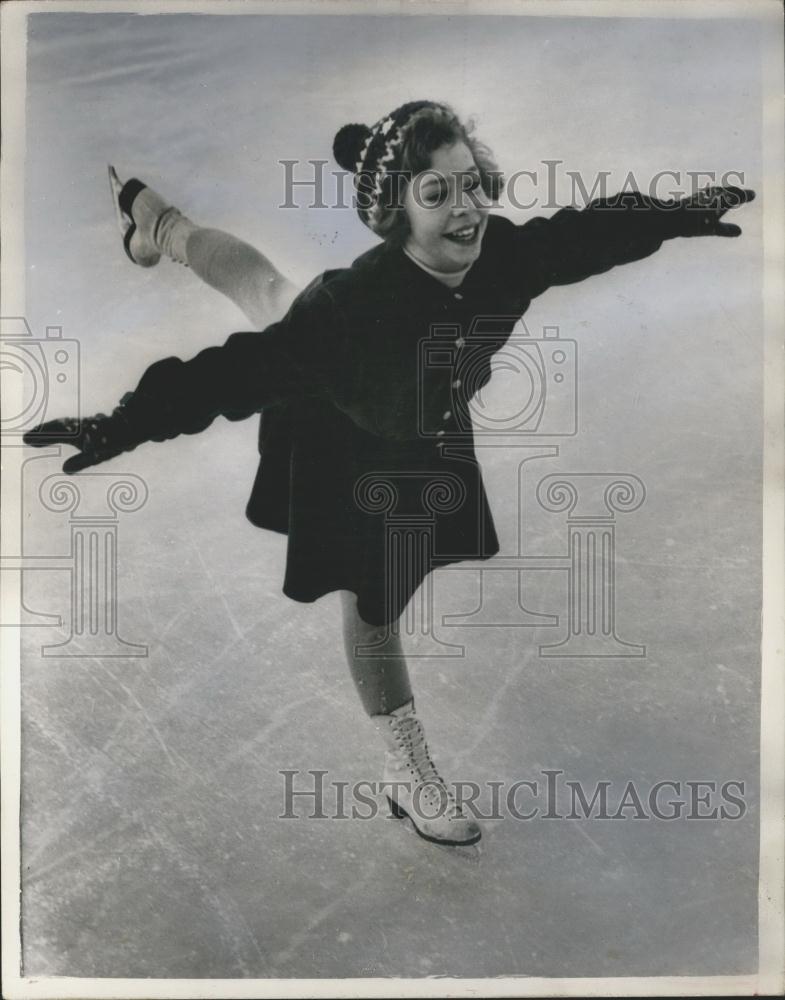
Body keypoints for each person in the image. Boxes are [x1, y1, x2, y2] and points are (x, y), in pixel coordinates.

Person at [24, 100, 754, 848]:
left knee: (268, 291)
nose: (467, 209)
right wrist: (121, 423)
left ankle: (161, 224)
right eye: (436, 193)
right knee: (373, 600)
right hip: (343, 436)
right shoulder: (348, 314)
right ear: (398, 214)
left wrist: (674, 215)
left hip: (422, 418)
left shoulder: (499, 254)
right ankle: (408, 772)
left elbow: (579, 236)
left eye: (469, 184)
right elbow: (229, 376)